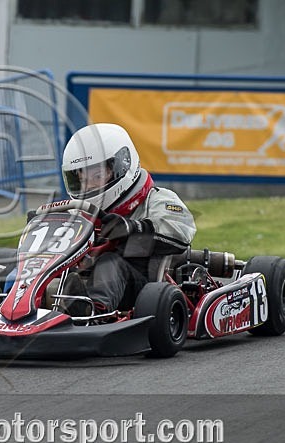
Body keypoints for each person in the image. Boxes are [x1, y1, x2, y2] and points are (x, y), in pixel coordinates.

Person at [59, 123, 197, 316]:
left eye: (97, 176)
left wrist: (133, 228)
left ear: (122, 166)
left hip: (141, 288)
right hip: (83, 279)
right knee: (14, 262)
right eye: (82, 180)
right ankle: (9, 306)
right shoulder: (77, 213)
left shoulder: (156, 199)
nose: (89, 186)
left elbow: (180, 230)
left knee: (110, 262)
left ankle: (93, 313)